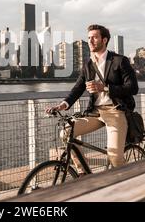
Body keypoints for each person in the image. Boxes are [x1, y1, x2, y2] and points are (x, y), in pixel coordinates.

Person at [46, 24, 139, 168]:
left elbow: (132, 88)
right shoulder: (88, 64)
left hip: (116, 111)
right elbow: (78, 88)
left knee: (115, 157)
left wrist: (105, 88)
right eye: (89, 38)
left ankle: (129, 180)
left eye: (95, 37)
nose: (90, 41)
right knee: (66, 133)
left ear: (104, 40)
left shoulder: (119, 60)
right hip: (95, 113)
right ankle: (83, 171)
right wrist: (63, 105)